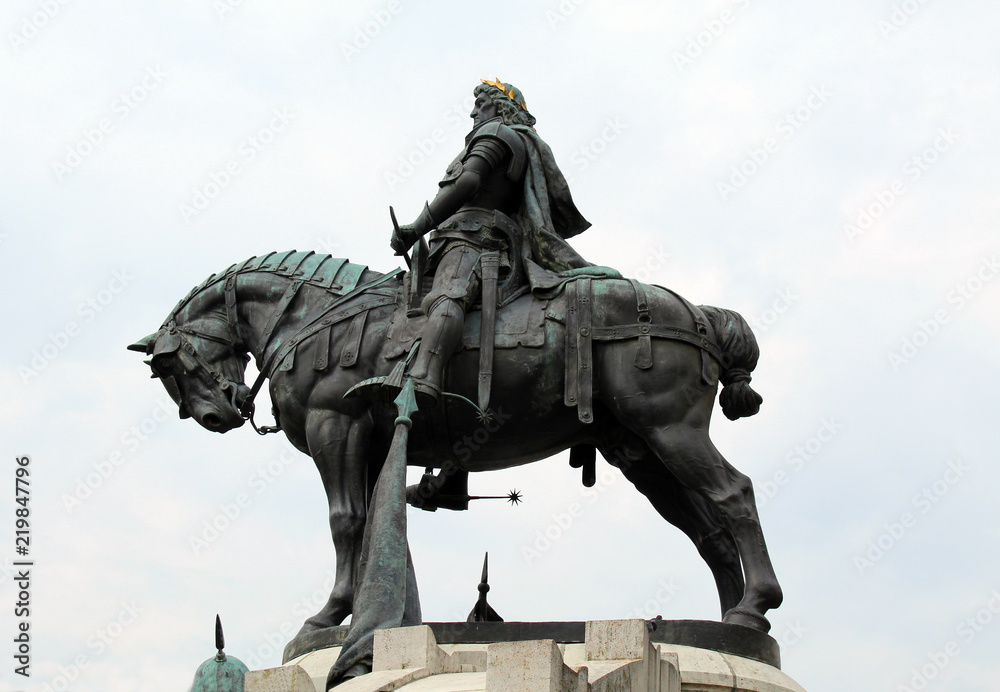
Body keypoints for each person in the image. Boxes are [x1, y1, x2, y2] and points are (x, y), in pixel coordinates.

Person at [387, 78, 609, 406]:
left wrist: (415, 228)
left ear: (502, 106)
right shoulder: (506, 137)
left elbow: (468, 181)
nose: (474, 112)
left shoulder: (496, 133)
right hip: (462, 237)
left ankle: (423, 377)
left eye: (482, 104)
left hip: (473, 237)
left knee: (449, 294)